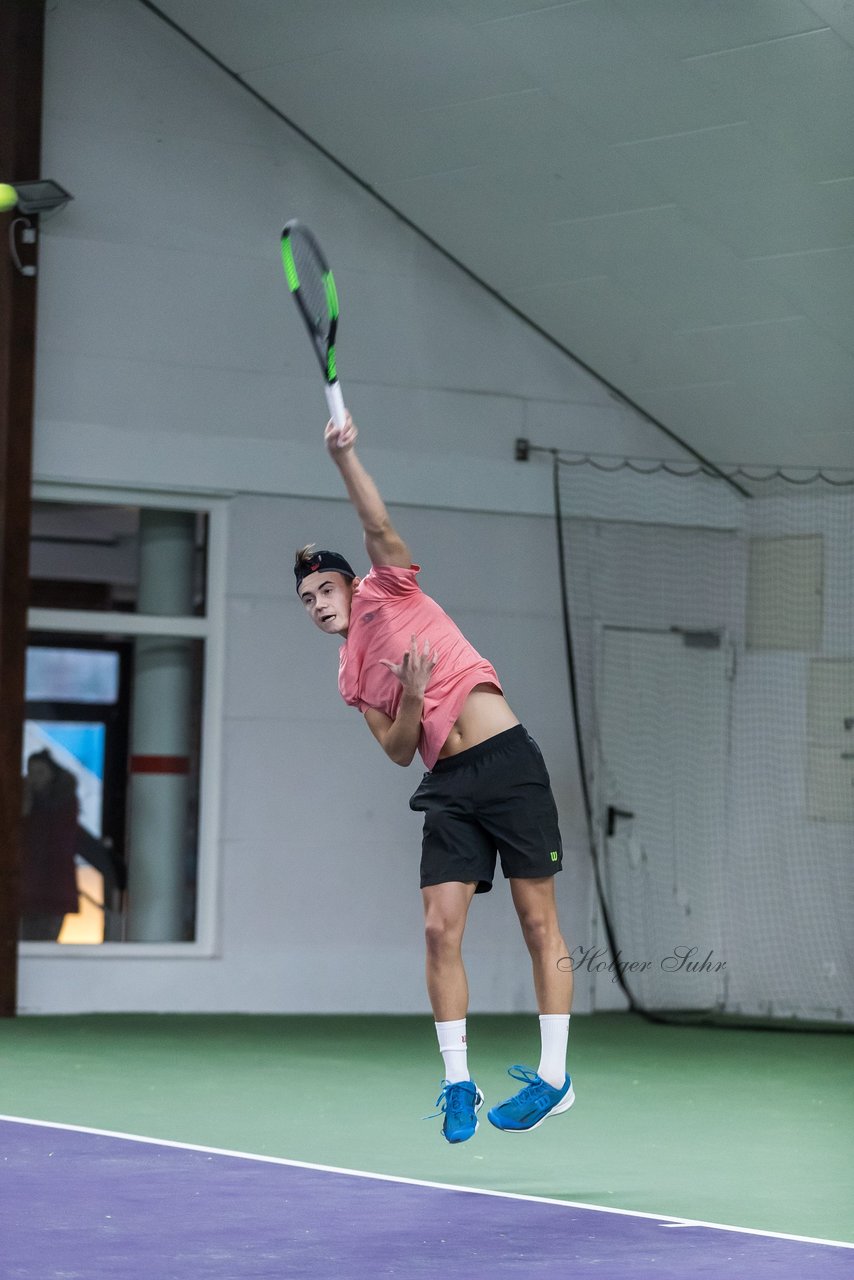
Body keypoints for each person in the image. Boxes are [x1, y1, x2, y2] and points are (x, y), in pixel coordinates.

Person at [295, 413, 574, 1143]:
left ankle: (554, 1078)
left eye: (324, 589)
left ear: (351, 584)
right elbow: (396, 750)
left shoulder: (391, 590)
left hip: (507, 762)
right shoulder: (350, 676)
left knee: (537, 921)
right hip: (447, 784)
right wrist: (414, 698)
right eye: (307, 599)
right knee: (436, 929)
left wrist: (344, 457)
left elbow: (376, 521)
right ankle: (457, 1083)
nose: (318, 604)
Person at [20, 749, 80, 941]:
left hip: (46, 886)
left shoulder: (60, 804)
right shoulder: (63, 801)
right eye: (31, 772)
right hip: (40, 888)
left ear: (52, 774)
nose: (34, 778)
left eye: (40, 772)